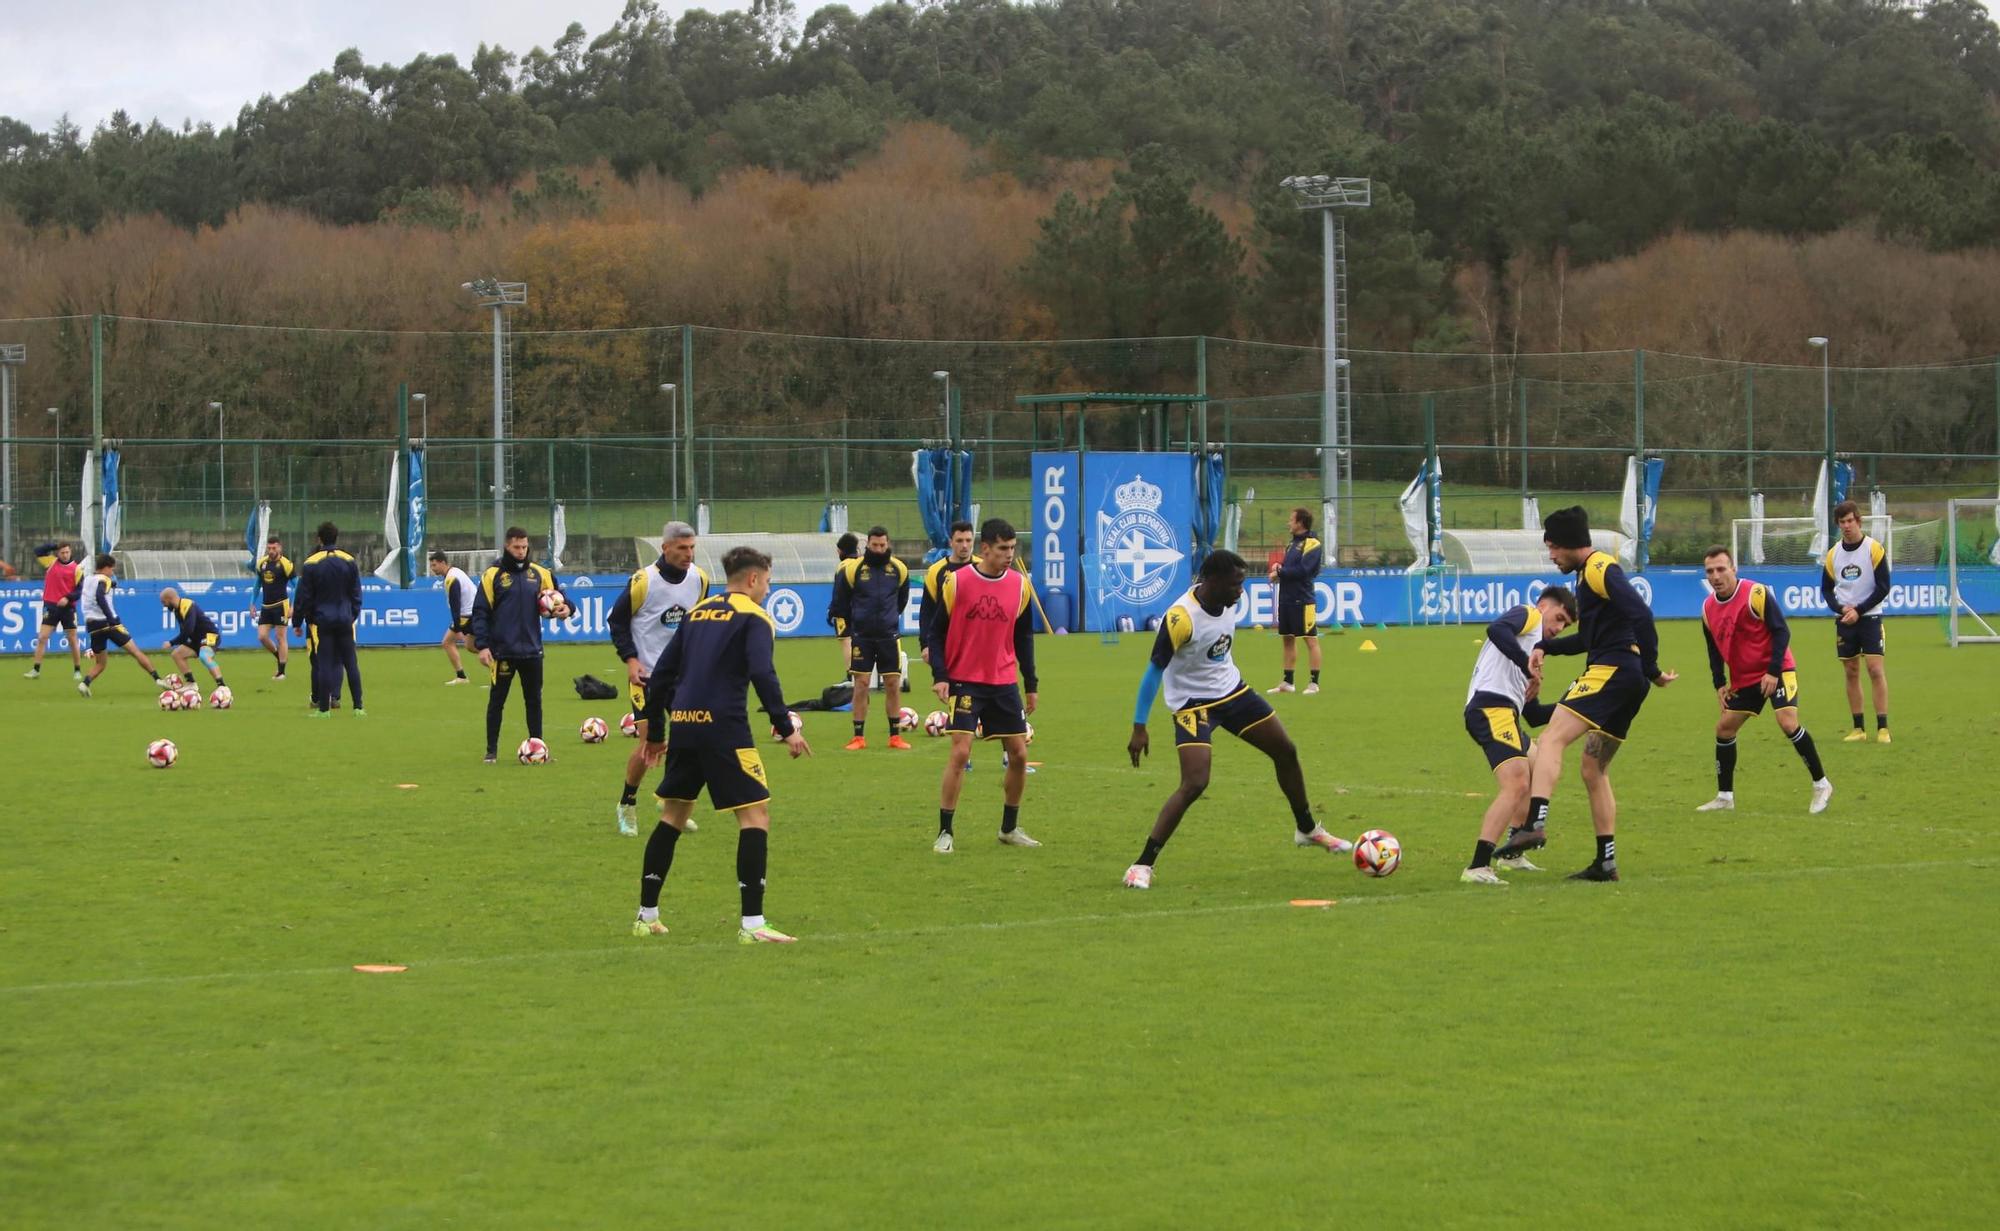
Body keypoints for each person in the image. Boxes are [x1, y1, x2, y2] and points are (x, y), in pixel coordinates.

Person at [1122, 550, 1353, 889]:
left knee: (1285, 750)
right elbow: (1153, 671)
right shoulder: (1180, 618)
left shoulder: (1229, 602)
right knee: (1195, 783)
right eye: (1235, 584)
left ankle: (1307, 829)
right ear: (1211, 581)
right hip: (1192, 704)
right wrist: (1139, 727)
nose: (1241, 591)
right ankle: (1142, 864)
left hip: (1232, 692)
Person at [633, 546, 810, 944]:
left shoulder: (696, 614)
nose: (767, 589)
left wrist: (658, 735)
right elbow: (763, 673)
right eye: (766, 581)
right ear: (752, 579)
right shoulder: (754, 616)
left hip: (683, 724)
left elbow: (660, 676)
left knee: (673, 816)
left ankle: (647, 916)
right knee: (755, 816)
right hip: (725, 728)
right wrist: (786, 726)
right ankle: (753, 924)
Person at [1496, 506, 1677, 882]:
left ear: (1566, 543)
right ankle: (1605, 861)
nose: (1551, 556)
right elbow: (1591, 638)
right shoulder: (1588, 575)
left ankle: (1535, 822)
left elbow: (1641, 614)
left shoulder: (1598, 568)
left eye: (1552, 548)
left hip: (1612, 671)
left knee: (1550, 741)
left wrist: (1652, 666)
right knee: (1593, 769)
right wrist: (1548, 647)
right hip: (1627, 679)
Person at [927, 517, 1041, 852]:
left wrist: (1030, 682)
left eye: (1012, 548)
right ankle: (945, 832)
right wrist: (940, 675)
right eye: (1003, 549)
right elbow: (935, 632)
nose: (1009, 555)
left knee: (1019, 755)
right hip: (965, 681)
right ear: (985, 548)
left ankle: (1009, 828)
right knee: (961, 752)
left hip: (1003, 681)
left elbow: (1024, 637)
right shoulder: (957, 582)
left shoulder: (1020, 586)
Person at [1695, 547, 1833, 815]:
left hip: (1777, 670)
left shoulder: (1755, 593)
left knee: (1787, 722)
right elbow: (1712, 648)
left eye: (1721, 569)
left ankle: (1822, 784)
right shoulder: (1707, 608)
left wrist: (1772, 671)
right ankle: (1725, 797)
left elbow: (1781, 631)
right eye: (1710, 571)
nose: (1716, 576)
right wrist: (1719, 683)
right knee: (1724, 729)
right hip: (1745, 678)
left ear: (1734, 569)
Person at [1459, 586, 1577, 885]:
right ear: (1543, 606)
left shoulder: (1534, 651)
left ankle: (1512, 853)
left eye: (1566, 625)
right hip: (1489, 707)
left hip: (1506, 713)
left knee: (1540, 765)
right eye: (1559, 617)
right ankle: (1477, 866)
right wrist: (1526, 666)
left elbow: (1534, 715)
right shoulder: (1529, 615)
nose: (1558, 628)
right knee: (1517, 782)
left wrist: (1576, 701)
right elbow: (1496, 629)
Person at [608, 522, 708, 835]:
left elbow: (701, 622)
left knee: (691, 741)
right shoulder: (643, 581)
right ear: (665, 548)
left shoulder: (700, 579)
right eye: (681, 548)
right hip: (648, 676)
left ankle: (670, 802)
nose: (688, 554)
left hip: (685, 676)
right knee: (649, 744)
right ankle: (627, 803)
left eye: (692, 547)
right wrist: (631, 659)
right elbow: (617, 621)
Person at [471, 526, 567, 764]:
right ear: (507, 546)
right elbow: (480, 612)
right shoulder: (493, 575)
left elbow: (560, 596)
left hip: (533, 651)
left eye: (525, 547)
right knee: (497, 701)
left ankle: (538, 747)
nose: (522, 551)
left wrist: (567, 608)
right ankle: (491, 751)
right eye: (517, 547)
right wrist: (483, 646)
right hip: (502, 651)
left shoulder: (539, 573)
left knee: (534, 701)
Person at [830, 525, 912, 751]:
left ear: (888, 544)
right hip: (862, 636)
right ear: (867, 545)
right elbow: (842, 601)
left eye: (882, 545)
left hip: (888, 636)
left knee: (893, 684)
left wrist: (889, 619)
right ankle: (858, 736)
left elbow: (901, 600)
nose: (878, 549)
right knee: (862, 684)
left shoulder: (899, 569)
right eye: (874, 545)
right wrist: (855, 623)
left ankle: (895, 736)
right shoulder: (853, 569)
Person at [1821, 501, 1892, 743]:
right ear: (1838, 525)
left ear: (1858, 521)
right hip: (1845, 620)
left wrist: (1859, 610)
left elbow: (1884, 586)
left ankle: (1882, 727)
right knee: (1851, 672)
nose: (1847, 526)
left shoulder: (1874, 549)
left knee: (1875, 669)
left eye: (1850, 520)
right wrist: (1841, 609)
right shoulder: (1833, 555)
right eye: (1842, 522)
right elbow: (1827, 591)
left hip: (1870, 617)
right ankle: (1858, 729)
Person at [292, 521, 365, 718]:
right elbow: (356, 593)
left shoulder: (311, 563)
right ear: (337, 537)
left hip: (323, 620)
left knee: (324, 663)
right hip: (344, 618)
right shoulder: (349, 560)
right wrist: (352, 614)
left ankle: (324, 710)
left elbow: (304, 597)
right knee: (350, 662)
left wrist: (298, 622)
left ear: (319, 539)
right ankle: (358, 707)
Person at [76, 554, 168, 696]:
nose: (112, 573)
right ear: (106, 568)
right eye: (111, 569)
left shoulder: (88, 579)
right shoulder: (104, 579)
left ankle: (85, 683)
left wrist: (112, 584)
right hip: (109, 624)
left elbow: (96, 589)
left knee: (101, 664)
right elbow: (100, 595)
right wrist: (110, 617)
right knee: (136, 652)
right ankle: (158, 679)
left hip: (93, 626)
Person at [1267, 507, 1324, 694]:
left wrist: (1280, 572)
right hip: (1286, 599)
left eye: (1291, 520)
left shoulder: (1313, 543)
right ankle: (1288, 682)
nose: (1288, 523)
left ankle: (1314, 683)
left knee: (1310, 640)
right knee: (1288, 640)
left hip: (1303, 600)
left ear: (1300, 523)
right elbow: (1289, 568)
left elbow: (1304, 571)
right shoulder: (1292, 544)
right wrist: (1279, 568)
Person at [24, 542, 85, 680]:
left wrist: (68, 598)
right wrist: (55, 545)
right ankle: (36, 670)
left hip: (68, 608)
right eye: (62, 552)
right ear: (58, 553)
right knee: (42, 638)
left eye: (67, 552)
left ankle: (77, 670)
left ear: (71, 552)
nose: (64, 555)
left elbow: (79, 590)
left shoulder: (77, 569)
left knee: (72, 639)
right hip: (51, 606)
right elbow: (38, 550)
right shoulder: (51, 562)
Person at [919, 521, 976, 670]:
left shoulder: (983, 567)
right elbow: (927, 610)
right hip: (946, 641)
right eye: (959, 540)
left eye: (968, 540)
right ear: (951, 542)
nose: (964, 545)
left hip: (977, 642)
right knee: (949, 689)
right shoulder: (936, 571)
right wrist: (925, 645)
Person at [159, 588, 227, 692]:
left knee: (204, 656)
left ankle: (222, 686)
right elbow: (186, 633)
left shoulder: (187, 606)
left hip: (210, 635)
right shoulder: (177, 610)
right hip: (197, 639)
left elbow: (187, 631)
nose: (164, 605)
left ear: (169, 598)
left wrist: (171, 642)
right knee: (177, 654)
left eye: (164, 602)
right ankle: (191, 684)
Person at [429, 550, 476, 685]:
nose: (432, 569)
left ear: (443, 563)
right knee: (471, 646)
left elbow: (456, 605)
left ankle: (462, 677)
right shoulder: (455, 571)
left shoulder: (451, 578)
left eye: (434, 565)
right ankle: (498, 663)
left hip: (466, 615)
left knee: (447, 642)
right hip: (473, 612)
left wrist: (458, 627)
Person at [252, 537, 294, 680]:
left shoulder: (286, 564)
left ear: (279, 548)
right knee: (262, 636)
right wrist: (252, 603)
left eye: (274, 548)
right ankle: (279, 656)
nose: (271, 551)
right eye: (269, 548)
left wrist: (294, 606)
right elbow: (257, 585)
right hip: (266, 606)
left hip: (281, 605)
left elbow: (298, 585)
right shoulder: (262, 564)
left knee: (280, 637)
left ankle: (281, 672)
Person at [827, 530, 859, 667]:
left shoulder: (842, 567)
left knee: (846, 641)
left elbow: (838, 593)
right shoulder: (861, 565)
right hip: (861, 611)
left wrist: (832, 611)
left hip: (844, 613)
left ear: (841, 551)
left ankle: (851, 675)